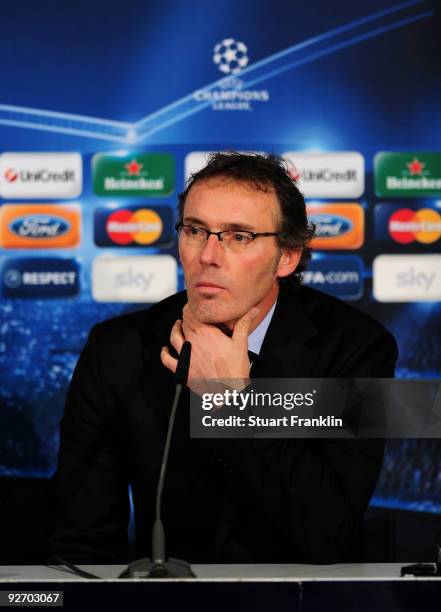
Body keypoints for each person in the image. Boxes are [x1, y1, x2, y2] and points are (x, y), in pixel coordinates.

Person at [50, 152, 397, 565]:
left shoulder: (356, 349)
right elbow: (82, 544)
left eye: (239, 236)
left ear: (286, 257)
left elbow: (329, 535)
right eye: (196, 230)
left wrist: (237, 405)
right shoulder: (117, 351)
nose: (208, 255)